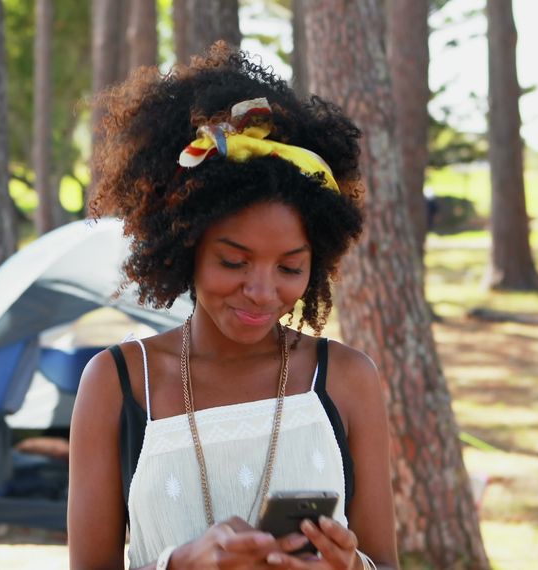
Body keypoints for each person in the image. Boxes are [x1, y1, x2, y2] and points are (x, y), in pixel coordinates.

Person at [68, 45, 399, 570]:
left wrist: (351, 566)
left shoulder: (345, 380)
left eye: (290, 268)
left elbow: (383, 561)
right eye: (233, 261)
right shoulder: (119, 384)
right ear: (185, 247)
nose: (263, 292)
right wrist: (180, 565)